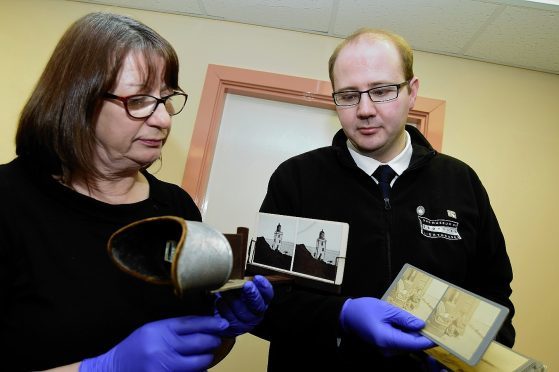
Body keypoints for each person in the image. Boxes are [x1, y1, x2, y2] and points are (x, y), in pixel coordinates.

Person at [0, 12, 273, 372]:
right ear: (78, 98)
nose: (163, 119)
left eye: (166, 98)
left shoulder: (176, 206)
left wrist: (223, 330)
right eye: (140, 99)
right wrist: (101, 368)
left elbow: (189, 354)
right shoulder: (9, 200)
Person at [248, 28, 515, 371]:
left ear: (412, 92)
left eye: (382, 91)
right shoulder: (295, 179)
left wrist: (476, 354)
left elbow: (494, 293)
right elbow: (267, 303)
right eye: (348, 95)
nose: (365, 110)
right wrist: (342, 316)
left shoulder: (461, 182)